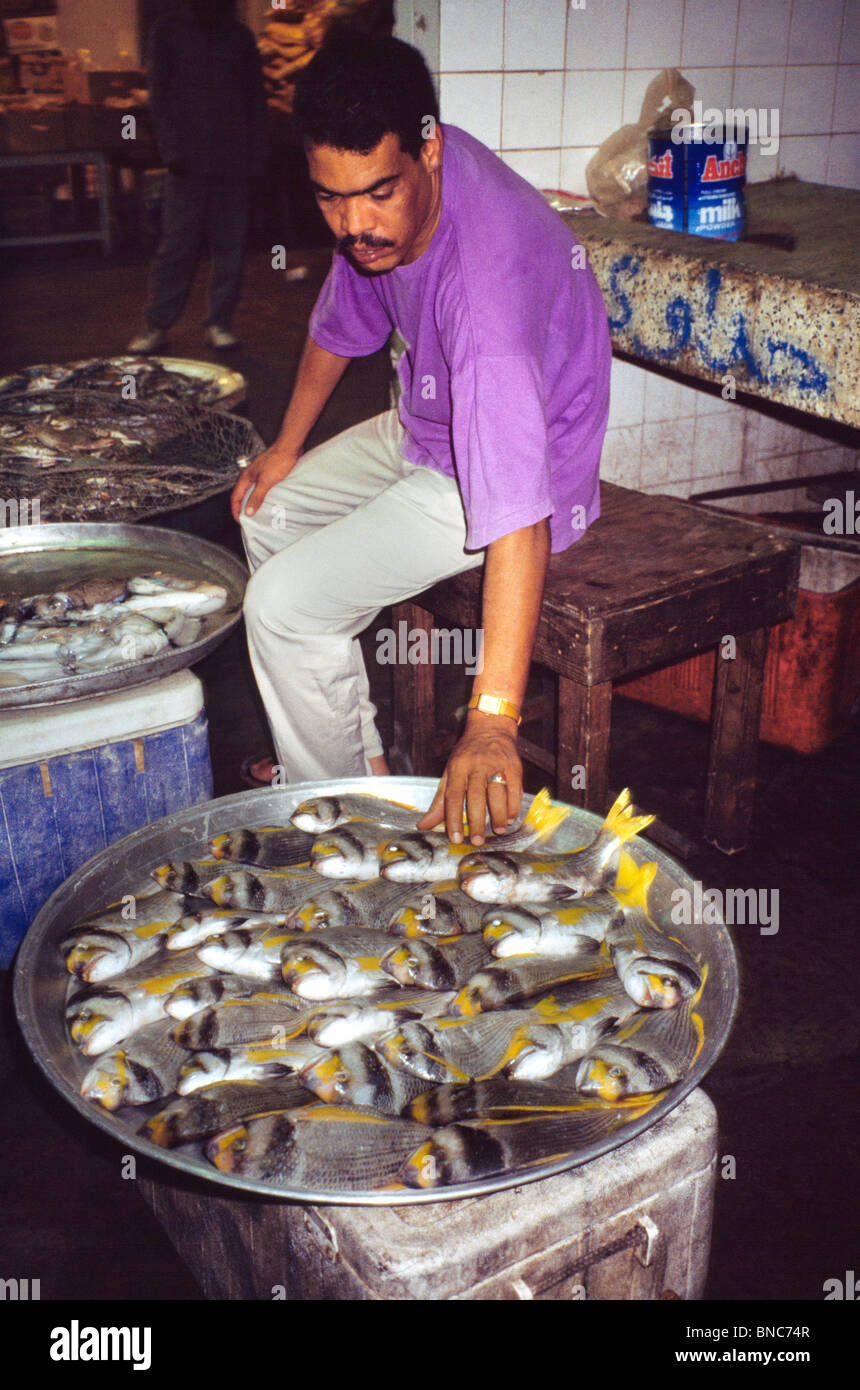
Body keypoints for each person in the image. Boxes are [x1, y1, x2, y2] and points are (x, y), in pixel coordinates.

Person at [231, 34, 611, 844]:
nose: (354, 225)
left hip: (524, 469)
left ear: (429, 150)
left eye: (374, 195)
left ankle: (347, 829)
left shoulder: (487, 302)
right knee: (266, 507)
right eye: (331, 198)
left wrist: (493, 723)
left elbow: (517, 519)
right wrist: (285, 446)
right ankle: (343, 758)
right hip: (430, 425)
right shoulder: (395, 190)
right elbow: (340, 323)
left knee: (282, 608)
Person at [129, 0, 268, 352]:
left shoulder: (239, 37)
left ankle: (220, 323)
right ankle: (156, 325)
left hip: (232, 160)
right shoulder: (169, 32)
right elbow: (159, 96)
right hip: (187, 161)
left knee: (230, 246)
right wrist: (171, 149)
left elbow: (255, 99)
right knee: (178, 245)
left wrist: (256, 156)